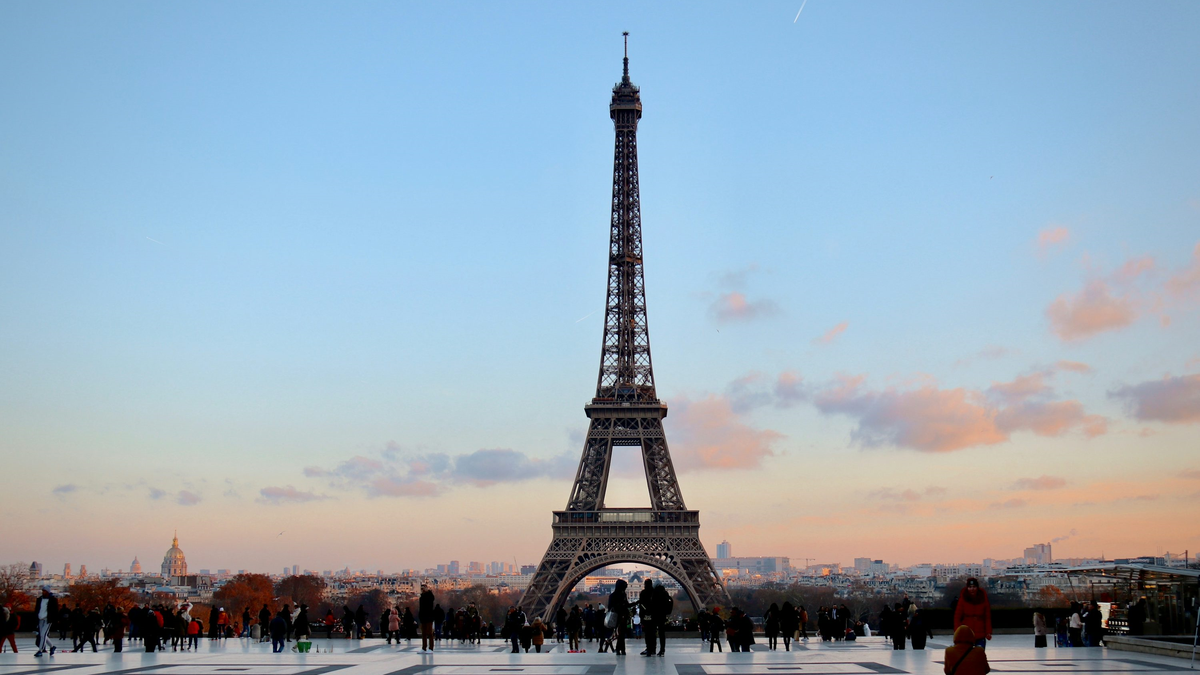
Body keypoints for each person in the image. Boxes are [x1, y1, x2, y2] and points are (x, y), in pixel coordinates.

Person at [952, 578, 992, 648]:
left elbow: (987, 616)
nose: (972, 589)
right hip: (966, 634)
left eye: (974, 587)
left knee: (979, 655)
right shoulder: (963, 598)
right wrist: (957, 631)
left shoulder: (983, 598)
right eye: (970, 587)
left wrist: (988, 632)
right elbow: (957, 616)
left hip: (980, 633)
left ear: (977, 587)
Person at [34, 587, 59, 657]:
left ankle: (40, 650)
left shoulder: (53, 600)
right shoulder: (40, 599)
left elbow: (55, 611)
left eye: (44, 591)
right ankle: (52, 646)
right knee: (43, 635)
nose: (43, 592)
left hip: (47, 620)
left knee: (43, 635)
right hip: (40, 619)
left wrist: (54, 620)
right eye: (43, 591)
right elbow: (37, 609)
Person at [607, 579, 630, 656]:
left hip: (616, 617)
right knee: (621, 634)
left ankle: (619, 649)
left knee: (620, 634)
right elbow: (626, 605)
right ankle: (621, 649)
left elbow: (610, 607)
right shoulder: (623, 595)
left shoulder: (613, 596)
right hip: (621, 616)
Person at [419, 585, 436, 652]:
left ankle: (430, 647)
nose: (422, 590)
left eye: (423, 589)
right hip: (424, 617)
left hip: (428, 616)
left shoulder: (429, 596)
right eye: (421, 589)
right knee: (424, 633)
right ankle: (424, 647)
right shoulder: (422, 597)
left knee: (429, 633)